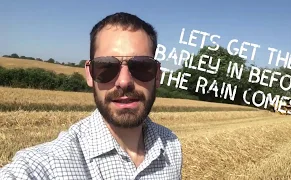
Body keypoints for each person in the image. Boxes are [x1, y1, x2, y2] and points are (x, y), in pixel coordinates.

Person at [0, 12, 183, 179]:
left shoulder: (172, 146)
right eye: (107, 67)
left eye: (142, 67)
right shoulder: (50, 164)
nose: (124, 81)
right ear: (89, 74)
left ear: (157, 76)